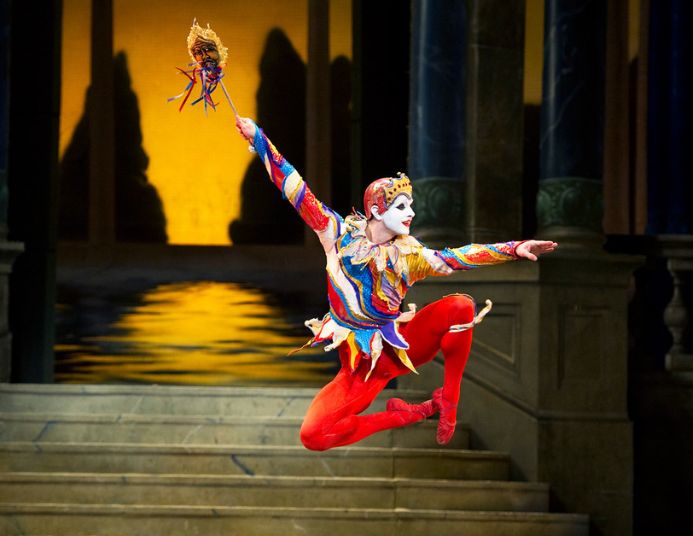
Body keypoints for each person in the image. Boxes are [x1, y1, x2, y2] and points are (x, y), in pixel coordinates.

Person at [235, 116, 557, 451]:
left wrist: (515, 248)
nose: (411, 212)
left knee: (461, 306)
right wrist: (258, 137)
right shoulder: (338, 235)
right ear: (376, 208)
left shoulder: (410, 255)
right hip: (360, 368)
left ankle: (449, 399)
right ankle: (408, 414)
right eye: (401, 206)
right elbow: (295, 189)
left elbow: (459, 257)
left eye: (411, 205)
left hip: (399, 346)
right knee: (313, 436)